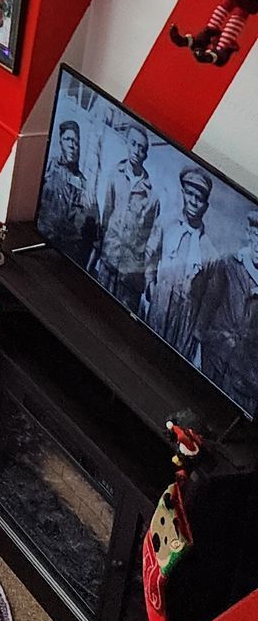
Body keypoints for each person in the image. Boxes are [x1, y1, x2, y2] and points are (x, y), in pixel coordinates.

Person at [177, 206, 258, 408]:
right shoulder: (228, 266)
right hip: (214, 357)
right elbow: (206, 310)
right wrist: (197, 351)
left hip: (243, 377)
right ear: (249, 234)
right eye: (257, 235)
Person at [93, 122, 164, 314]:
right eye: (134, 144)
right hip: (108, 263)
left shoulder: (152, 196)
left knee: (117, 320)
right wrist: (97, 253)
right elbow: (106, 216)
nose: (137, 151)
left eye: (142, 148)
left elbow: (154, 242)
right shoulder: (115, 176)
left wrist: (149, 278)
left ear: (146, 154)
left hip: (130, 276)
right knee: (94, 308)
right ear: (127, 144)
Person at [143, 163, 215, 353]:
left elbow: (209, 297)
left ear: (206, 206)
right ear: (182, 193)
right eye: (190, 194)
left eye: (199, 198)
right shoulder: (166, 224)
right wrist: (150, 284)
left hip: (185, 322)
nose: (193, 202)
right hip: (160, 305)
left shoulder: (209, 251)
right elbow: (151, 255)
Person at [39, 119, 94, 261]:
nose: (72, 145)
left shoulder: (84, 185)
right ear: (60, 141)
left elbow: (89, 231)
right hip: (38, 238)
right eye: (67, 139)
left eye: (76, 142)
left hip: (65, 254)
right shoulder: (48, 167)